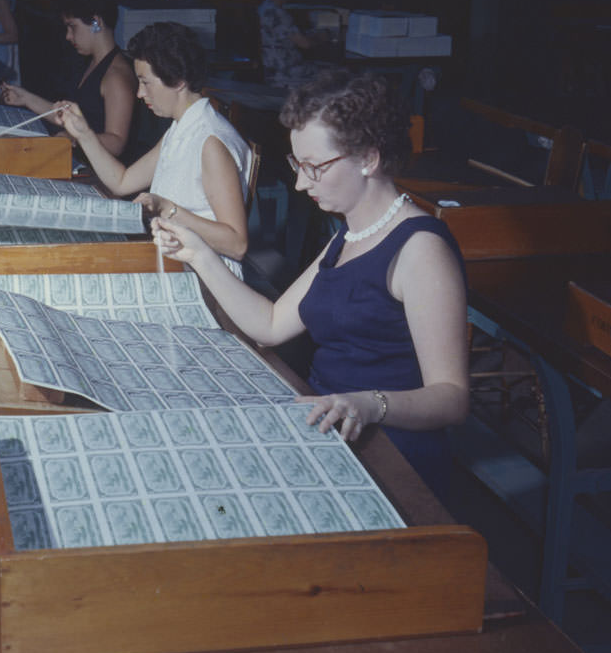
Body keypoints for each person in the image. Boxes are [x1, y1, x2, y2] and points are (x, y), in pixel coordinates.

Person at [153, 68, 468, 497]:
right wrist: (201, 255)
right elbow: (271, 324)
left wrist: (367, 403)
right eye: (297, 166)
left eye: (314, 168)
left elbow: (451, 398)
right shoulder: (348, 235)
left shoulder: (420, 250)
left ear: (369, 159)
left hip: (390, 452)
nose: (301, 183)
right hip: (327, 421)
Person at [55, 21, 252, 277]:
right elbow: (122, 182)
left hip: (208, 278)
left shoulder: (210, 142)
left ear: (178, 81)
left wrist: (167, 209)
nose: (139, 93)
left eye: (145, 82)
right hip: (177, 262)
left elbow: (237, 245)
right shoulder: (181, 129)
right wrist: (83, 133)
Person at [0, 0, 137, 159]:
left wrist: (73, 138)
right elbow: (70, 118)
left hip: (99, 173)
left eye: (72, 27)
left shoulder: (116, 76)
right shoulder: (91, 63)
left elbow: (116, 143)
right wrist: (26, 98)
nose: (68, 36)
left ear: (95, 22)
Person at [257, 0, 330, 89]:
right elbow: (305, 44)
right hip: (286, 72)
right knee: (337, 73)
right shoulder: (278, 14)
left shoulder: (265, 7)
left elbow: (288, 35)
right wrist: (322, 36)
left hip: (274, 68)